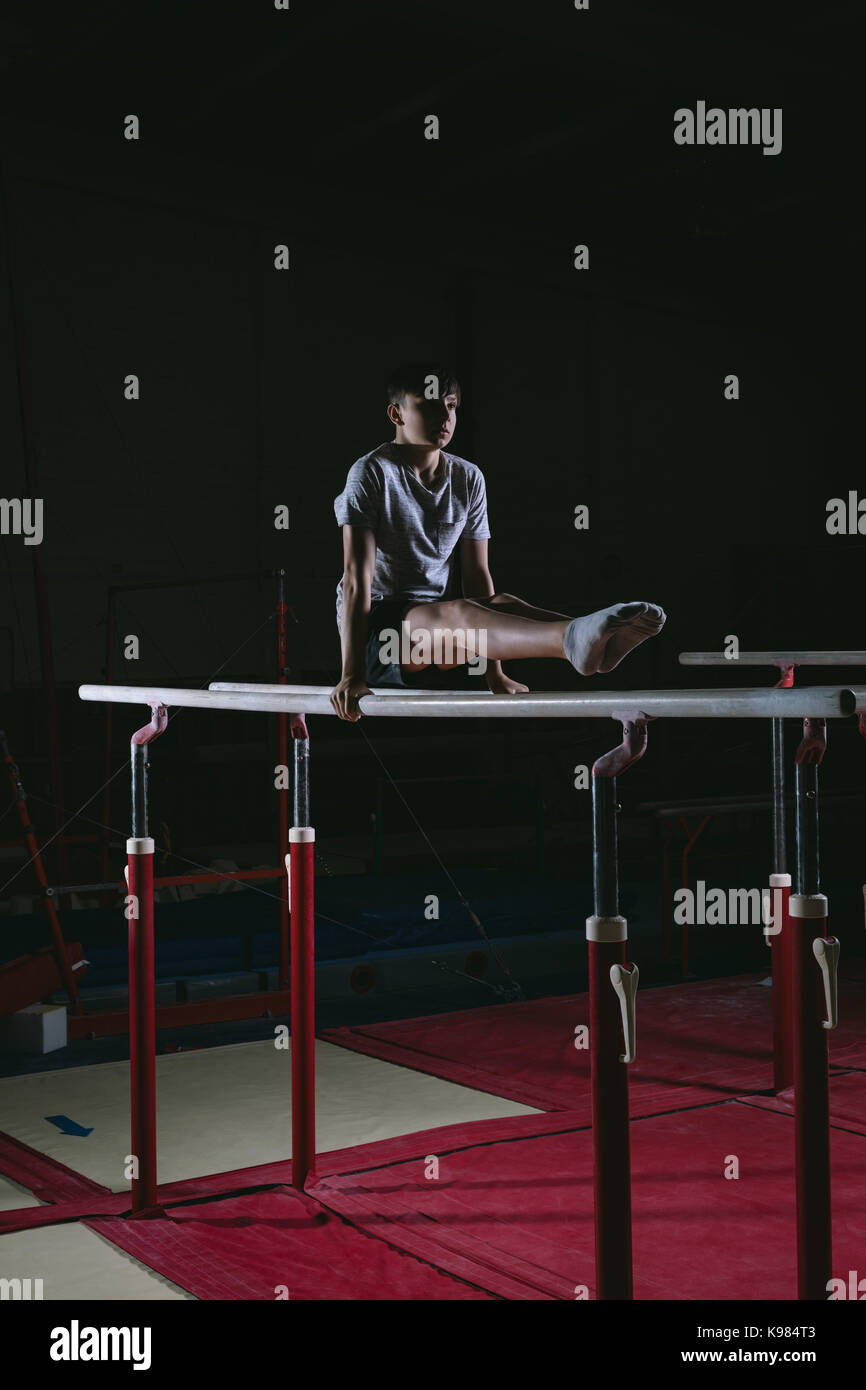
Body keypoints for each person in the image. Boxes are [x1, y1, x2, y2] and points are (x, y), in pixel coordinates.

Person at [331, 362, 665, 722]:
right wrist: (351, 675)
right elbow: (355, 579)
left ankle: (598, 643)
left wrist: (494, 673)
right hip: (378, 639)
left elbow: (477, 578)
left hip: (437, 632)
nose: (444, 415)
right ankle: (572, 639)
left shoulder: (468, 478)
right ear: (396, 413)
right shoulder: (371, 473)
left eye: (452, 405)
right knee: (457, 613)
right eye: (429, 404)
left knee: (502, 603)